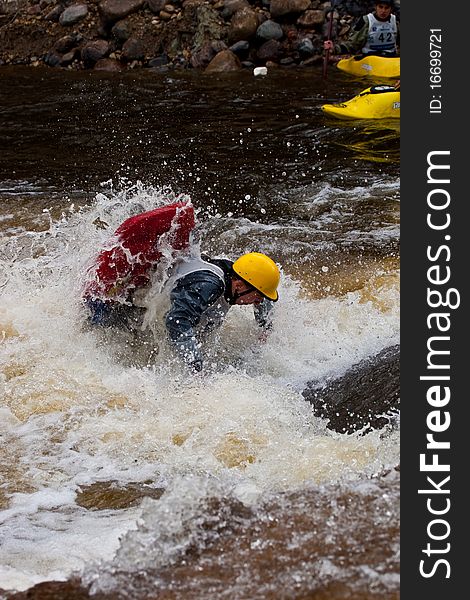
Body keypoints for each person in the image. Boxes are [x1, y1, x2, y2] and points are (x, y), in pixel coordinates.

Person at [83, 204, 281, 372]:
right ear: (239, 284)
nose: (259, 302)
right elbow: (176, 321)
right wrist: (196, 368)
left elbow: (263, 296)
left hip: (162, 293)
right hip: (134, 302)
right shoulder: (208, 286)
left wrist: (265, 328)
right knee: (109, 336)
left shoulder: (237, 273)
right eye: (257, 297)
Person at [324, 0, 399, 58]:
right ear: (375, 7)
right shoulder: (366, 21)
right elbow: (352, 44)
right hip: (371, 58)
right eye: (380, 7)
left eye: (386, 8)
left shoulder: (395, 21)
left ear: (391, 9)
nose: (383, 11)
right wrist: (334, 48)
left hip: (390, 57)